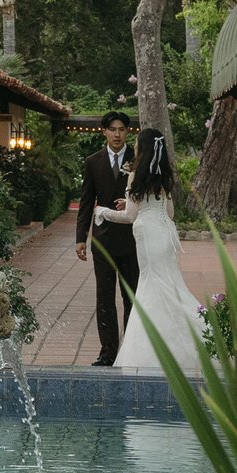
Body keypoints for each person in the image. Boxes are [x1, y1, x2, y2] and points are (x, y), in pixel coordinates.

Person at [94, 128, 205, 377]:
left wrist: (102, 211)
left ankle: (150, 352)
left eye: (136, 143)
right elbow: (169, 212)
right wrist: (137, 203)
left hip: (146, 235)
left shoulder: (135, 176)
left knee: (150, 286)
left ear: (142, 148)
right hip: (165, 234)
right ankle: (190, 341)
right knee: (171, 284)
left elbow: (130, 216)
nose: (134, 146)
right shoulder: (163, 176)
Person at [75, 113, 141, 366]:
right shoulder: (93, 161)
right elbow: (86, 199)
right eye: (112, 129)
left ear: (128, 132)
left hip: (131, 238)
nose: (117, 134)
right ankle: (108, 353)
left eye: (122, 130)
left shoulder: (137, 159)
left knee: (131, 296)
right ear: (103, 131)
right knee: (104, 296)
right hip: (102, 239)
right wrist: (80, 237)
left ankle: (131, 351)